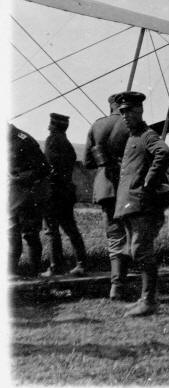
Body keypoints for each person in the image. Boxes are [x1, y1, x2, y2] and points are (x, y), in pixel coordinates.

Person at [114, 91, 169, 316]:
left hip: (142, 205)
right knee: (136, 251)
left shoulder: (147, 135)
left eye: (129, 111)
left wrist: (149, 181)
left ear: (140, 111)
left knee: (141, 250)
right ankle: (146, 298)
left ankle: (149, 301)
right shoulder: (133, 137)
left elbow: (164, 153)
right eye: (122, 112)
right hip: (132, 205)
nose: (125, 116)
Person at [83, 93, 131, 299]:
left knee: (114, 234)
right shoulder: (132, 124)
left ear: (111, 106)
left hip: (106, 187)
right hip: (129, 186)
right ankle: (126, 280)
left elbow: (88, 162)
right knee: (133, 233)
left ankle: (116, 286)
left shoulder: (97, 125)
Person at [39, 113, 88, 278]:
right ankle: (81, 264)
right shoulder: (67, 144)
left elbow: (49, 166)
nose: (48, 126)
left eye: (50, 124)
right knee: (71, 229)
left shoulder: (51, 140)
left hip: (54, 192)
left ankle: (56, 266)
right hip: (66, 192)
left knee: (51, 230)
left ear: (53, 126)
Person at [8, 124, 49, 277]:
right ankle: (11, 273)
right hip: (8, 196)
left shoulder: (23, 140)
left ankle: (33, 275)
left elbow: (44, 168)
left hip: (25, 196)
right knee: (10, 235)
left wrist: (20, 178)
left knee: (29, 235)